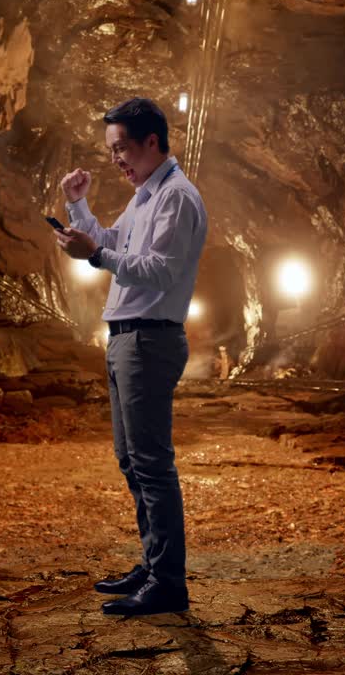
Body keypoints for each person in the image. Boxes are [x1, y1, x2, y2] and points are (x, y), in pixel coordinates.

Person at [55, 97, 208, 616]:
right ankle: (153, 562)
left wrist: (95, 255)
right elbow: (114, 242)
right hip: (126, 337)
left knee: (152, 464)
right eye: (110, 151)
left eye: (121, 148)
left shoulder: (177, 198)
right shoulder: (146, 196)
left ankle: (168, 582)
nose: (116, 159)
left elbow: (157, 269)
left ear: (151, 141)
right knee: (132, 461)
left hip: (149, 339)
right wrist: (78, 211)